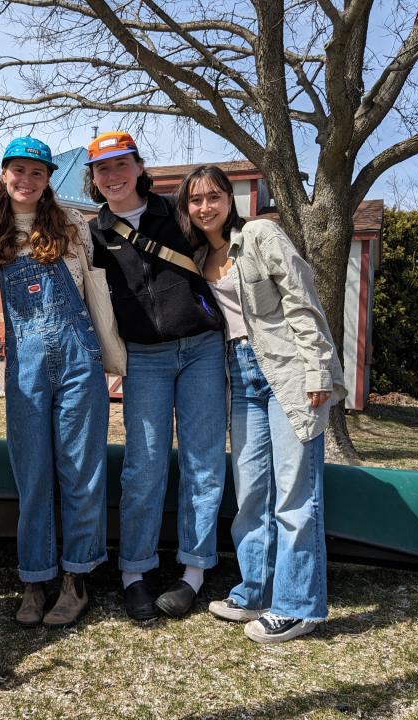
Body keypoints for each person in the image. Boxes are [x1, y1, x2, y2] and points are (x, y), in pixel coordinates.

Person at [176, 164, 346, 643]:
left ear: (230, 199)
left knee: (296, 493)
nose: (205, 207)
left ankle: (299, 606)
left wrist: (317, 369)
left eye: (214, 196)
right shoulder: (197, 256)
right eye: (196, 200)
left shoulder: (260, 234)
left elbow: (302, 300)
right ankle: (255, 590)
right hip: (240, 374)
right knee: (251, 489)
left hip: (287, 370)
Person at [84, 131, 226, 620]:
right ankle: (134, 571)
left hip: (202, 350)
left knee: (203, 460)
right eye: (103, 168)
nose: (114, 175)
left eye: (122, 164)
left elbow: (226, 248)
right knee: (144, 465)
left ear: (139, 166)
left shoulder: (179, 213)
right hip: (143, 357)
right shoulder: (94, 233)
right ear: (94, 178)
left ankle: (193, 572)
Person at [0, 136, 109, 628]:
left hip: (79, 360)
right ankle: (34, 579)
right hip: (26, 368)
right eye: (18, 170)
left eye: (37, 173)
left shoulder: (72, 225)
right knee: (32, 476)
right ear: (5, 174)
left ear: (48, 178)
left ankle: (76, 579)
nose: (26, 180)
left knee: (81, 473)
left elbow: (96, 290)